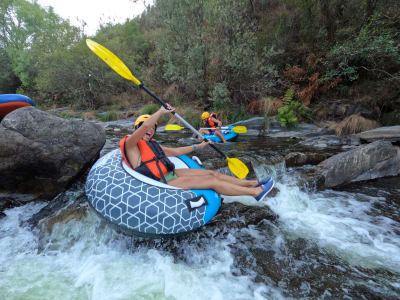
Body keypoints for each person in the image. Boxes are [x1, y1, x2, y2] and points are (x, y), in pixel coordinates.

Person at [120, 104, 274, 201]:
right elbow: (145, 127)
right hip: (160, 183)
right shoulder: (131, 144)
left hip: (170, 174)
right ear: (137, 128)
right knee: (212, 183)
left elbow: (176, 151)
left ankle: (253, 183)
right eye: (149, 126)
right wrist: (160, 112)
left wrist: (199, 146)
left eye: (154, 128)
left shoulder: (152, 144)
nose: (151, 129)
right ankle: (255, 193)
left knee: (212, 174)